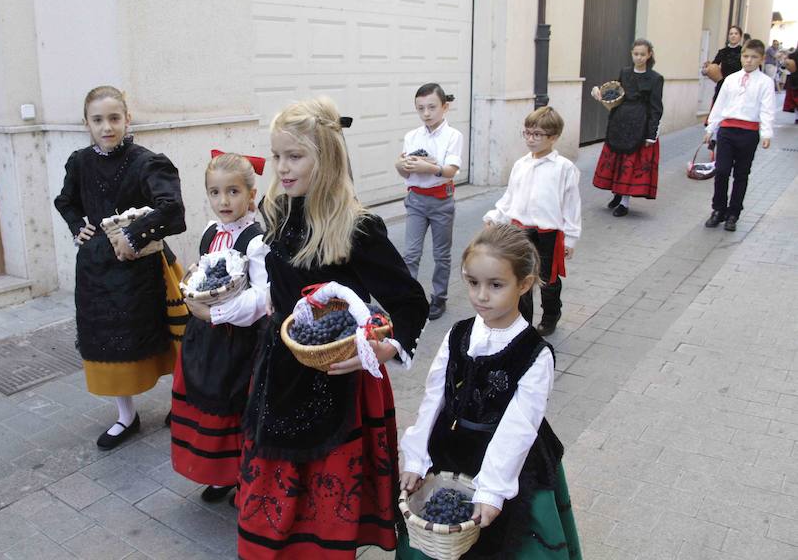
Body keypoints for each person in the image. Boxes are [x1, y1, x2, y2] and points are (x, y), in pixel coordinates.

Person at [238, 97, 429, 559]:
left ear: (326, 158)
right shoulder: (278, 212)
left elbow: (410, 303)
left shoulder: (357, 228)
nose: (282, 168)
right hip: (280, 368)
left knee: (324, 497)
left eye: (295, 156)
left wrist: (387, 348)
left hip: (336, 378)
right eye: (277, 155)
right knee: (275, 486)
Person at [397, 224, 581, 560]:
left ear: (523, 284)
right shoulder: (457, 333)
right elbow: (434, 398)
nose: (481, 295)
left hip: (505, 462)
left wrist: (493, 490)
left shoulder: (534, 354)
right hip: (448, 450)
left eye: (495, 285)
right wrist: (417, 455)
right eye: (473, 283)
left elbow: (519, 426)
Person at [55, 85, 187, 450]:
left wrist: (134, 236)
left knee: (173, 342)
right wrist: (75, 225)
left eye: (114, 118)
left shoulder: (146, 161)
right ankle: (126, 417)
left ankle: (182, 405)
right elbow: (64, 199)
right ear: (87, 123)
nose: (107, 127)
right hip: (98, 272)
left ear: (127, 119)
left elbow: (172, 208)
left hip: (146, 269)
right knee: (109, 345)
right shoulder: (79, 161)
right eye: (98, 120)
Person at [170, 151, 269, 504]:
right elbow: (206, 272)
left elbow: (263, 298)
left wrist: (219, 313)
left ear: (251, 194)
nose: (223, 201)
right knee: (208, 401)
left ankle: (244, 478)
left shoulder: (256, 242)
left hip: (241, 340)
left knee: (235, 407)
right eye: (215, 192)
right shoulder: (211, 231)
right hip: (208, 338)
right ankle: (222, 473)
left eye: (233, 192)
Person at [483, 106, 581, 337]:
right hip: (520, 231)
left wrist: (571, 238)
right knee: (521, 279)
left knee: (548, 279)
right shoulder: (521, 165)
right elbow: (511, 197)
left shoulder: (564, 168)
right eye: (527, 133)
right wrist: (496, 217)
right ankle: (523, 321)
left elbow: (571, 205)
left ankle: (550, 315)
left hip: (549, 232)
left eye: (537, 134)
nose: (530, 139)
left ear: (554, 137)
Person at [395, 83, 464, 320]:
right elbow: (406, 173)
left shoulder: (453, 136)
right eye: (421, 108)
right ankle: (409, 298)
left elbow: (451, 171)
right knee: (411, 253)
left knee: (441, 254)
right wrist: (400, 166)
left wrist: (429, 167)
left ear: (445, 107)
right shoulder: (411, 136)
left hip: (441, 201)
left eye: (432, 107)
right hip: (415, 199)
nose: (426, 113)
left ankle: (439, 297)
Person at [704, 39, 776, 232]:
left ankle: (733, 213)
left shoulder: (765, 83)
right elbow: (720, 105)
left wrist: (766, 132)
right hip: (727, 130)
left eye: (754, 57)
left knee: (741, 174)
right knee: (722, 171)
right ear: (741, 56)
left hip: (749, 132)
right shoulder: (731, 79)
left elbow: (767, 109)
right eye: (746, 56)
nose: (749, 61)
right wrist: (711, 128)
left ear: (761, 59)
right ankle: (718, 209)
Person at [591, 38, 664, 216]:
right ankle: (617, 193)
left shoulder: (656, 78)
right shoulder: (624, 72)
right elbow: (615, 93)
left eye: (642, 54)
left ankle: (624, 202)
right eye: (635, 54)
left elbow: (656, 108)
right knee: (618, 160)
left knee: (630, 164)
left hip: (640, 124)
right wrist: (599, 93)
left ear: (649, 55)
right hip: (620, 121)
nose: (638, 58)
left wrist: (651, 134)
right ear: (631, 54)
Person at [703, 26, 744, 107]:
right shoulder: (722, 52)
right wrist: (706, 69)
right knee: (718, 107)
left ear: (740, 36)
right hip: (723, 84)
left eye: (736, 33)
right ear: (728, 36)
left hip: (738, 85)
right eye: (731, 34)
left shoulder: (743, 51)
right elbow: (714, 65)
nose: (733, 36)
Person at [783, 44, 798, 123]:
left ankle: (797, 117)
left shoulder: (792, 55)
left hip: (794, 77)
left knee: (795, 98)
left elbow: (785, 65)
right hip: (794, 78)